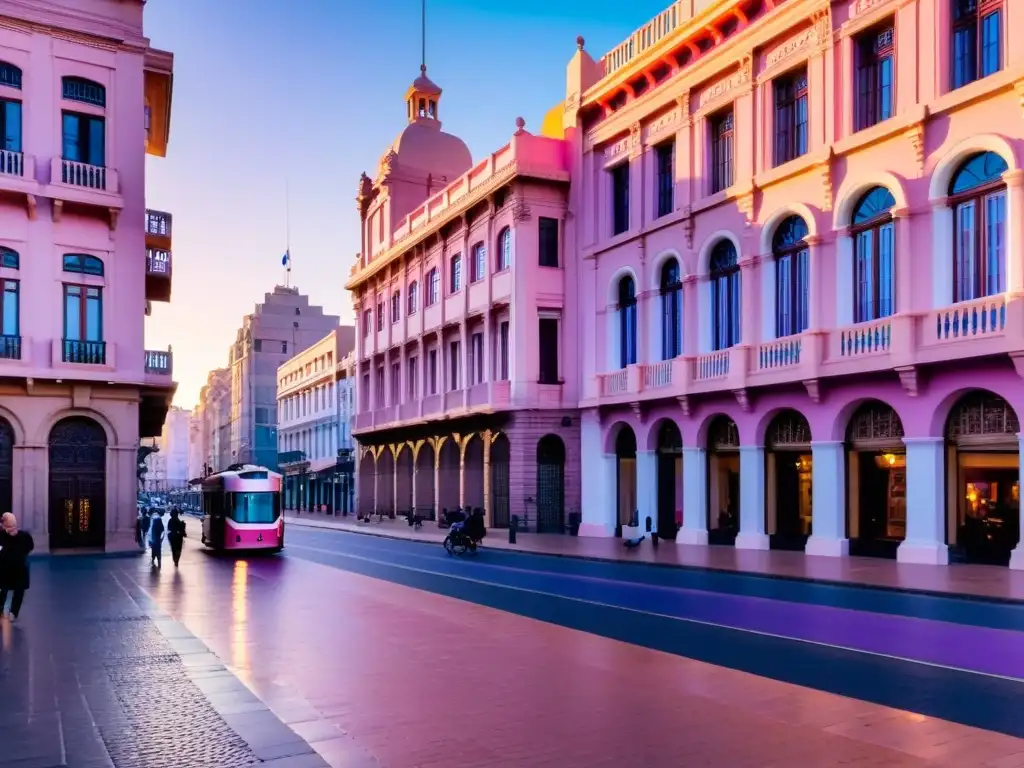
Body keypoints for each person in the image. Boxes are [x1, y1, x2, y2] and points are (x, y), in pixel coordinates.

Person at [0, 513, 34, 621]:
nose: (13, 529)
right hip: (4, 570)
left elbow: (30, 547)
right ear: (3, 526)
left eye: (14, 525)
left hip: (20, 570)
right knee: (2, 591)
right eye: (10, 527)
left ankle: (13, 612)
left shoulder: (24, 536)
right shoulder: (1, 537)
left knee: (19, 592)